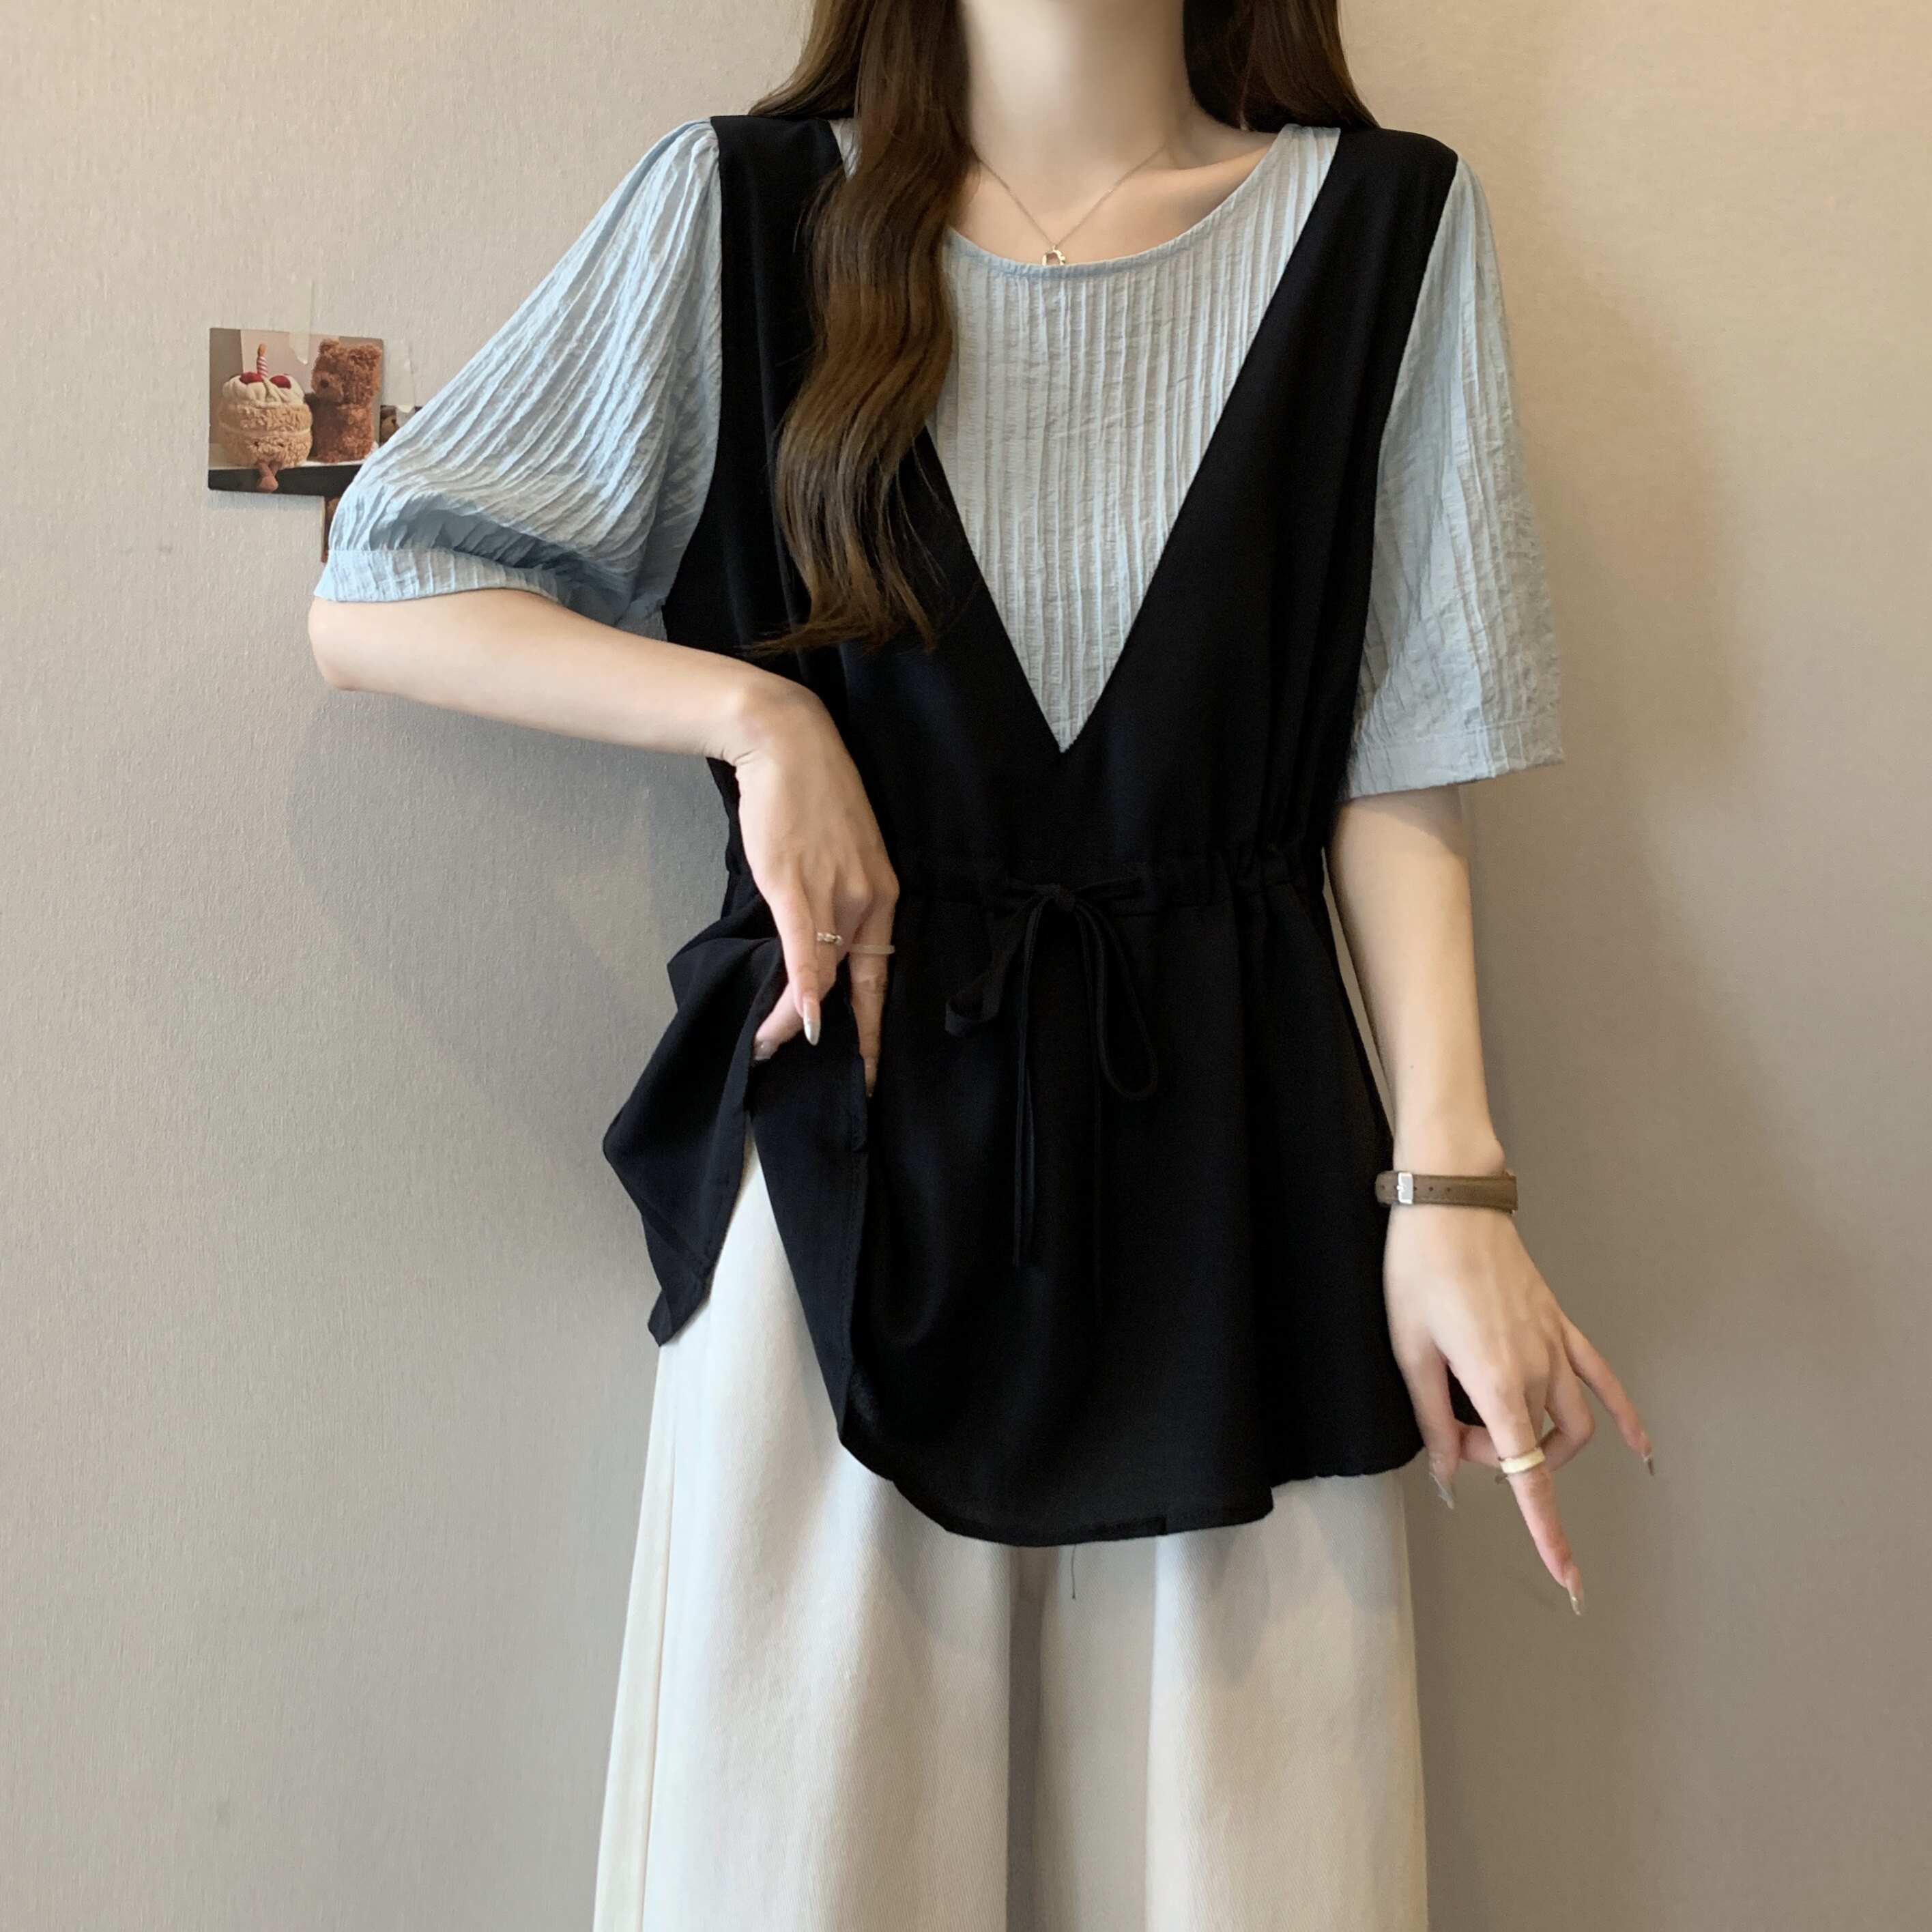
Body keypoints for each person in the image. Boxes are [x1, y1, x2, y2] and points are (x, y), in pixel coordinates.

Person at [309, 1, 1654, 1924]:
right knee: (803, 1858)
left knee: (1242, 1859)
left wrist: (1454, 1190)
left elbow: (1404, 741)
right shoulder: (741, 213)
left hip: (1237, 1192)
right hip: (844, 1174)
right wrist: (757, 719)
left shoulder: (1390, 229)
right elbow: (385, 582)